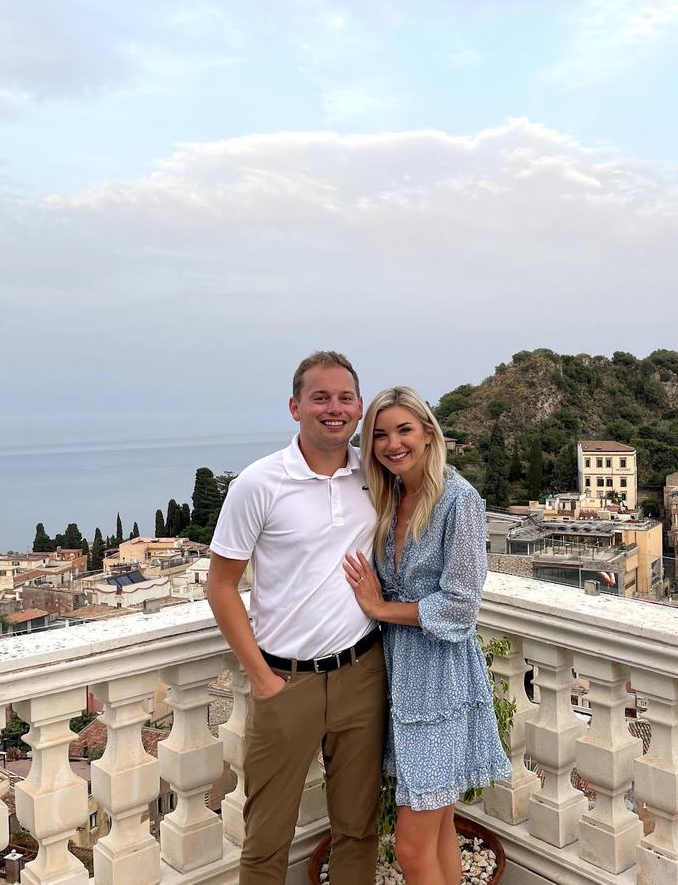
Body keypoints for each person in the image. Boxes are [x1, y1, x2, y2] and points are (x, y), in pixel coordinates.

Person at [207, 351, 387, 885]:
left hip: (363, 673)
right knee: (267, 836)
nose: (334, 408)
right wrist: (261, 678)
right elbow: (220, 586)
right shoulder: (259, 484)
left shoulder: (375, 476)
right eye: (321, 397)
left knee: (357, 828)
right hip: (285, 680)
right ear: (295, 407)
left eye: (345, 397)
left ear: (359, 410)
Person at [343, 386, 511, 885]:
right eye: (379, 434)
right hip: (400, 678)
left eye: (404, 430)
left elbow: (461, 606)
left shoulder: (460, 501)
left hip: (440, 683)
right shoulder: (390, 497)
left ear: (429, 433)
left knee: (412, 848)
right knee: (437, 831)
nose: (392, 443)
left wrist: (379, 607)